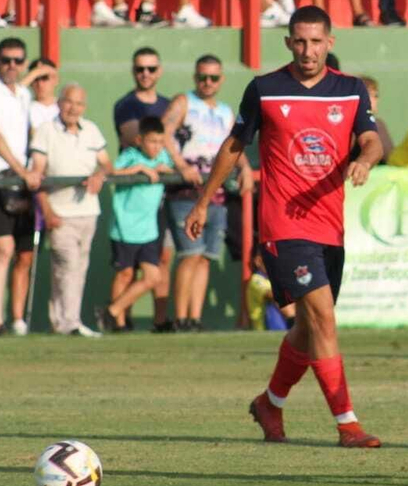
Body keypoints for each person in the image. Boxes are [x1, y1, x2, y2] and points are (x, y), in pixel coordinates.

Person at [184, 6, 385, 447]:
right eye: (300, 41)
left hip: (330, 229)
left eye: (316, 42)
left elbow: (370, 138)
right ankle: (348, 425)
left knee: (308, 329)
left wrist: (364, 160)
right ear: (288, 42)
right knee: (324, 320)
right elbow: (235, 145)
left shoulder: (350, 90)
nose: (308, 50)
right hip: (284, 227)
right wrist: (202, 202)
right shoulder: (266, 89)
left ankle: (270, 403)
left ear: (329, 42)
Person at [0, 37, 52, 336]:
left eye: (18, 60)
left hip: (16, 181)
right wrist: (22, 170)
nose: (11, 66)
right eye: (6, 60)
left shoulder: (23, 95)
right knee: (2, 247)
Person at [162, 56, 250, 331]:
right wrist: (180, 165)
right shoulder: (183, 102)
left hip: (217, 190)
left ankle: (194, 318)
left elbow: (235, 145)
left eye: (213, 77)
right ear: (195, 77)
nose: (207, 83)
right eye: (203, 77)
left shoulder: (225, 111)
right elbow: (163, 134)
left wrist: (245, 167)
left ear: (221, 79)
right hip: (186, 189)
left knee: (205, 258)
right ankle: (179, 317)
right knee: (189, 254)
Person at [28, 84, 110, 338]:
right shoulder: (46, 131)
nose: (73, 108)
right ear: (59, 103)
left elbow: (107, 164)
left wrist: (99, 175)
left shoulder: (92, 130)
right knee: (67, 266)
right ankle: (70, 323)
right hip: (60, 211)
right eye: (68, 102)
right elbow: (38, 173)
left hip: (88, 211)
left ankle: (61, 320)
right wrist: (47, 211)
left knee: (77, 268)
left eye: (79, 104)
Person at [103, 114, 174, 331]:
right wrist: (138, 170)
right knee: (125, 274)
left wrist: (165, 170)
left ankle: (112, 311)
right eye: (152, 141)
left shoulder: (163, 156)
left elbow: (172, 169)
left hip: (148, 230)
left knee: (153, 277)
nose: (156, 147)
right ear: (140, 140)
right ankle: (120, 323)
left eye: (160, 142)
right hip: (124, 228)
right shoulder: (130, 156)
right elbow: (111, 171)